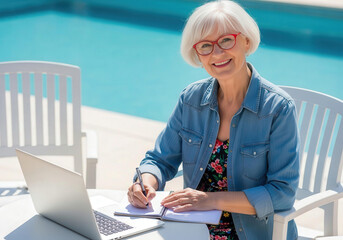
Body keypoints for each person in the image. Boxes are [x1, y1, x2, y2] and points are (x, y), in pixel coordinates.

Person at [127, 0, 300, 239]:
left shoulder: (278, 108)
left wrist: (210, 200)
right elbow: (159, 159)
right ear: (197, 54)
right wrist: (145, 183)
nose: (217, 53)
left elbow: (283, 192)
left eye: (226, 40)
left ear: (246, 41)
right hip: (189, 226)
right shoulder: (191, 99)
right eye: (205, 46)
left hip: (250, 233)